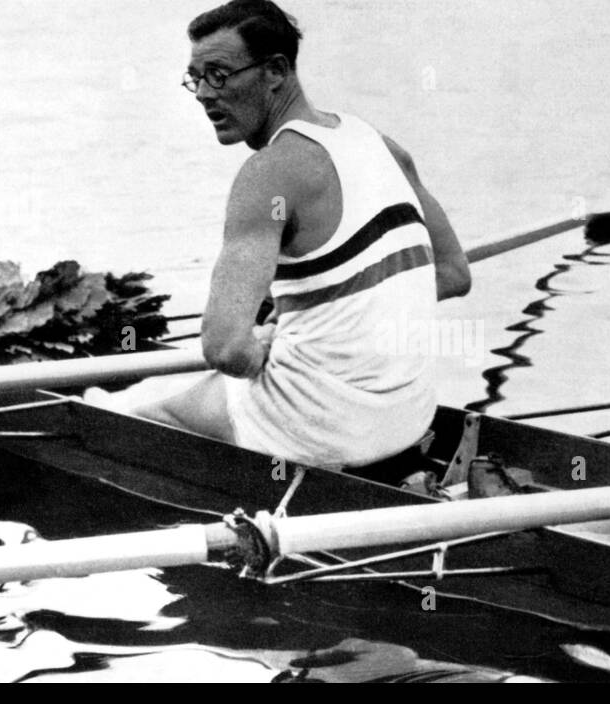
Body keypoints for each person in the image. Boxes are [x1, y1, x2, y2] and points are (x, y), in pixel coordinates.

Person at [91, 1, 470, 468]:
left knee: (121, 409)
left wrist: (263, 343)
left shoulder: (267, 174)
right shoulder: (380, 144)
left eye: (220, 74)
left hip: (317, 431)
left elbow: (225, 349)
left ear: (275, 71)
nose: (204, 94)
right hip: (410, 417)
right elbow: (453, 274)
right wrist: (339, 309)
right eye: (196, 77)